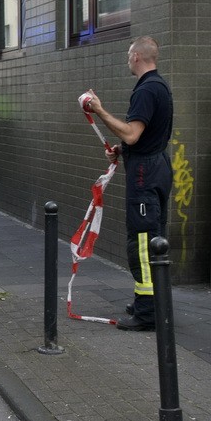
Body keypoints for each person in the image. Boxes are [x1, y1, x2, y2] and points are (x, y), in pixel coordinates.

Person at [84, 36, 173, 332]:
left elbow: (133, 133)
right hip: (156, 165)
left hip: (145, 174)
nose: (126, 59)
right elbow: (142, 137)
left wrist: (99, 109)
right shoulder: (159, 85)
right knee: (153, 236)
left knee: (143, 241)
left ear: (136, 56)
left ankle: (148, 313)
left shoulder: (146, 90)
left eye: (127, 54)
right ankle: (149, 302)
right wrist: (122, 150)